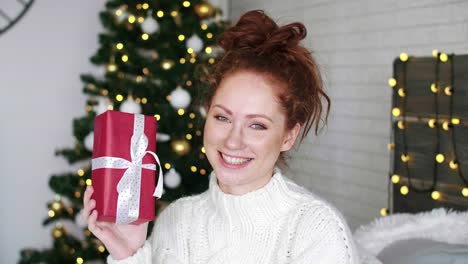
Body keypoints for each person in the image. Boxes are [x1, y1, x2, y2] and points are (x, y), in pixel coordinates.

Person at [83, 10, 360, 264]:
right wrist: (129, 253)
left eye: (257, 125)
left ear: (289, 136)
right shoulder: (176, 220)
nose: (233, 141)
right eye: (222, 118)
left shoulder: (314, 230)